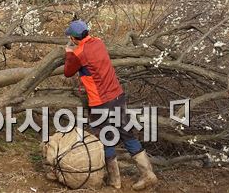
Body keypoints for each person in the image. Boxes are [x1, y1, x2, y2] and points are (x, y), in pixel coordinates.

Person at [63, 19, 158, 190]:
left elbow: (68, 72)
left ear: (73, 38)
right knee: (127, 133)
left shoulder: (79, 53)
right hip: (117, 96)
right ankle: (148, 174)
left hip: (100, 102)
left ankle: (115, 181)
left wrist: (69, 52)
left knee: (105, 137)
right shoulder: (99, 42)